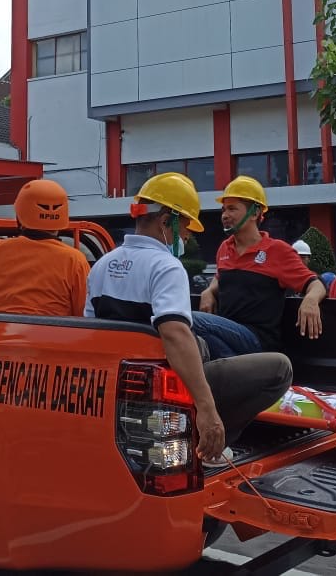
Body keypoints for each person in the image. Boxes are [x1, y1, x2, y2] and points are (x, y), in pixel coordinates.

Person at [86, 172, 292, 466]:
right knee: (280, 368)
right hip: (166, 387)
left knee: (204, 343)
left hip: (122, 385)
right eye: (184, 227)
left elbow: (93, 331)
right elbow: (174, 334)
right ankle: (209, 444)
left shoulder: (102, 265)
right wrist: (207, 411)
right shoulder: (165, 266)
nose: (187, 237)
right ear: (166, 220)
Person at [194, 177, 326, 359]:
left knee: (186, 319)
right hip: (227, 334)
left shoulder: (278, 250)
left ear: (255, 213)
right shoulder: (225, 247)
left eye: (232, 208)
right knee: (195, 340)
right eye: (223, 209)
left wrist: (311, 300)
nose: (224, 215)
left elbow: (315, 284)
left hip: (257, 340)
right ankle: (237, 372)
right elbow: (220, 276)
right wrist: (208, 291)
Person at [0, 178, 87, 317]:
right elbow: (84, 314)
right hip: (55, 338)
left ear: (20, 214)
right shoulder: (75, 260)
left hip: (2, 337)